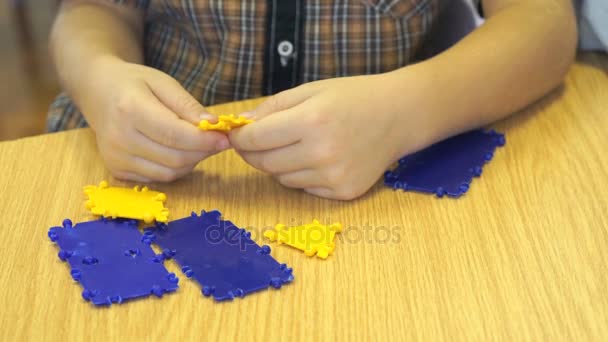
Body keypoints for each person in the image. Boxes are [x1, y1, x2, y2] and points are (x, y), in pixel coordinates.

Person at [48, 0, 577, 200]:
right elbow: (93, 11)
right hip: (145, 171)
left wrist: (405, 110)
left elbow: (545, 25)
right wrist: (100, 77)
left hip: (387, 187)